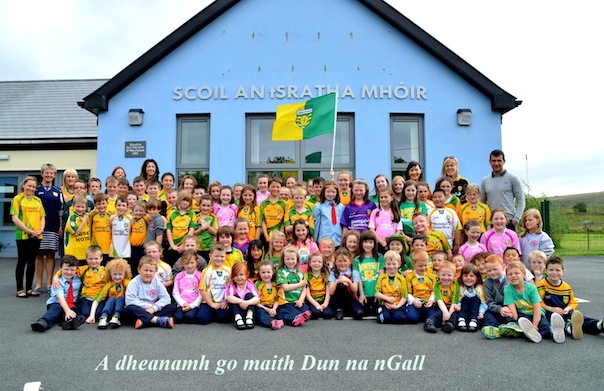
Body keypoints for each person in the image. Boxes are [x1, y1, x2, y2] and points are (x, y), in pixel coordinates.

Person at [537, 257, 604, 339]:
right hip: (549, 313)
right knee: (556, 321)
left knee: (580, 318)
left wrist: (568, 308)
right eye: (551, 270)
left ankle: (598, 325)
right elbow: (538, 302)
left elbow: (572, 301)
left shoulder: (566, 287)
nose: (554, 272)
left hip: (564, 312)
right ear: (546, 271)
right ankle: (569, 328)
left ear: (563, 272)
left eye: (557, 270)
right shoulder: (542, 285)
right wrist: (552, 309)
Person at [504, 261, 563, 343]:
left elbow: (537, 308)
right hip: (523, 314)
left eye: (517, 273)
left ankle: (554, 331)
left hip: (537, 313)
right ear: (507, 277)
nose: (513, 276)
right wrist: (514, 319)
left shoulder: (531, 287)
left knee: (544, 326)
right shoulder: (507, 289)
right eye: (510, 274)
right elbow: (512, 308)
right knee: (519, 322)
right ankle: (532, 334)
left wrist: (535, 325)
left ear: (524, 275)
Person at [30, 255, 86, 332]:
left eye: (72, 270)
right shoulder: (58, 282)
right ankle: (44, 322)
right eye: (66, 269)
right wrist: (67, 311)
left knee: (74, 310)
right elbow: (60, 298)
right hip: (57, 303)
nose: (69, 272)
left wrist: (69, 310)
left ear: (76, 269)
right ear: (60, 268)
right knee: (56, 310)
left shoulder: (78, 279)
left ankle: (69, 322)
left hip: (71, 303)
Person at [11, 176, 45, 298]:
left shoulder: (37, 200)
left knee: (32, 262)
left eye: (34, 187)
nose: (31, 188)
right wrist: (28, 230)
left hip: (37, 235)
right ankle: (20, 289)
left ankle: (29, 288)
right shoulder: (17, 199)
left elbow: (42, 217)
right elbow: (14, 218)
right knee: (22, 262)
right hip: (23, 235)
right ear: (24, 185)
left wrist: (40, 230)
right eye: (29, 186)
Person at [34, 163, 64, 295]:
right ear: (42, 174)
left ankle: (49, 283)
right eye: (46, 172)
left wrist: (60, 226)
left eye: (51, 173)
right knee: (39, 255)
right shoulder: (36, 189)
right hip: (38, 228)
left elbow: (61, 211)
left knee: (51, 254)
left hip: (52, 227)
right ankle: (39, 283)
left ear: (54, 175)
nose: (49, 175)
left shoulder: (58, 191)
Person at [124, 255, 176, 329]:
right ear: (139, 270)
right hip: (139, 308)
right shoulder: (134, 282)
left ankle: (144, 320)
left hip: (153, 308)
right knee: (129, 309)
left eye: (151, 271)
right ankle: (157, 320)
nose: (148, 273)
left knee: (171, 307)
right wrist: (148, 306)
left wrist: (154, 308)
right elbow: (130, 301)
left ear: (155, 272)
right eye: (145, 270)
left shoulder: (157, 282)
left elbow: (166, 298)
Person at [480, 149, 525, 229]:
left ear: (504, 161)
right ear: (489, 162)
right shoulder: (485, 181)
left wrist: (515, 220)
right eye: (493, 161)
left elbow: (521, 201)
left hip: (509, 222)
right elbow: (482, 203)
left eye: (499, 161)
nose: (496, 163)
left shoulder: (512, 179)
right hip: (491, 223)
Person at [481, 254, 517, 339]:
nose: (492, 272)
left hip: (510, 307)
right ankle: (493, 330)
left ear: (503, 267)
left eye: (495, 269)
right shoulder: (487, 283)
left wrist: (509, 309)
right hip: (495, 308)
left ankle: (511, 328)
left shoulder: (510, 280)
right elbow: (489, 302)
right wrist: (499, 309)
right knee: (489, 316)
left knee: (511, 317)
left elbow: (515, 297)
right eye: (489, 270)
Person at [276, 246, 311, 326]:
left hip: (297, 301)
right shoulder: (281, 272)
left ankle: (297, 317)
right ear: (283, 260)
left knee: (306, 309)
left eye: (293, 259)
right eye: (287, 259)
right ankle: (293, 319)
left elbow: (304, 288)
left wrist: (301, 300)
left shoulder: (300, 273)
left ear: (297, 259)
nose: (290, 261)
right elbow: (285, 288)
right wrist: (299, 284)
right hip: (286, 301)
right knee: (285, 311)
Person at [91, 258, 132, 329]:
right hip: (110, 306)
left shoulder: (126, 282)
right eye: (114, 274)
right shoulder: (108, 285)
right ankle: (103, 317)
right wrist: (91, 315)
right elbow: (97, 299)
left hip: (122, 306)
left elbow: (131, 293)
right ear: (110, 274)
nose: (117, 277)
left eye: (120, 274)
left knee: (120, 298)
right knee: (112, 298)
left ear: (125, 274)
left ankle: (116, 317)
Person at [197, 243, 232, 325]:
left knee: (223, 318)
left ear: (225, 256)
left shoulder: (228, 270)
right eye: (216, 256)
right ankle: (211, 312)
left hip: (222, 302)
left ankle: (217, 313)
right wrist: (212, 304)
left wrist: (226, 301)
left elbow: (231, 289)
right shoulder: (206, 271)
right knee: (202, 319)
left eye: (222, 256)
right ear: (210, 256)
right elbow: (202, 290)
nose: (219, 259)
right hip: (208, 302)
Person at [424, 261, 460, 333]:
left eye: (449, 275)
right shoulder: (437, 286)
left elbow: (454, 302)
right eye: (443, 275)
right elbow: (439, 300)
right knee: (438, 314)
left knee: (455, 315)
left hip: (452, 307)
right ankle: (430, 323)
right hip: (441, 306)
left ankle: (450, 325)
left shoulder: (456, 285)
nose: (446, 278)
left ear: (454, 275)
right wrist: (445, 312)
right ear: (438, 275)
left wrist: (448, 314)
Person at [328, 248, 364, 320]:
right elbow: (331, 292)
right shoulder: (333, 272)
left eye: (345, 261)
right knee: (341, 286)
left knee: (359, 313)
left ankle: (350, 309)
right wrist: (337, 281)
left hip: (351, 298)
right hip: (337, 299)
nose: (343, 264)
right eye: (340, 261)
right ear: (335, 262)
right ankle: (339, 309)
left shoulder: (354, 272)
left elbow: (354, 290)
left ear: (350, 261)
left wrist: (349, 281)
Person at [354, 230, 384, 316]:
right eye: (365, 242)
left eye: (371, 242)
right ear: (361, 243)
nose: (368, 245)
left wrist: (379, 293)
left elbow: (381, 276)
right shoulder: (357, 260)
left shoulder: (379, 257)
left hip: (376, 293)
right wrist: (362, 294)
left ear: (374, 243)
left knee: (377, 312)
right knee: (362, 313)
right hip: (365, 293)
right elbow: (358, 278)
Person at [374, 250, 408, 324]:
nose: (391, 266)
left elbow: (404, 296)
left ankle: (396, 313)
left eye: (394, 264)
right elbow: (376, 293)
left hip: (397, 304)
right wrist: (387, 298)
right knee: (384, 319)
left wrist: (396, 306)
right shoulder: (381, 278)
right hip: (385, 304)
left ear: (399, 264)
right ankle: (381, 310)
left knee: (399, 319)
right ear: (384, 264)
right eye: (388, 264)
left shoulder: (402, 278)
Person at [405, 250, 437, 324]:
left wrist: (431, 301)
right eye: (420, 266)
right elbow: (407, 292)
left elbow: (434, 291)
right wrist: (413, 301)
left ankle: (423, 314)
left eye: (425, 265)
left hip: (427, 302)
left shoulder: (431, 276)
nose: (423, 268)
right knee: (412, 318)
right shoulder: (409, 277)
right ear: (413, 264)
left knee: (431, 318)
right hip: (416, 301)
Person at [166, 190, 197, 266]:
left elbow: (191, 230)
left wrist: (183, 245)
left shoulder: (192, 214)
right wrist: (172, 245)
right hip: (173, 247)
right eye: (183, 200)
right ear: (179, 200)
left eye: (188, 201)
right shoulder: (172, 213)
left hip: (185, 247)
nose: (185, 202)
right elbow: (169, 230)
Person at [226, 263, 260, 330]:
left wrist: (247, 303)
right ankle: (238, 318)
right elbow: (228, 297)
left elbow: (257, 298)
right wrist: (241, 301)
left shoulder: (250, 283)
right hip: (237, 309)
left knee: (249, 295)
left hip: (248, 307)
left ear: (247, 274)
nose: (239, 277)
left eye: (241, 274)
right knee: (234, 297)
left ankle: (249, 316)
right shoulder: (231, 284)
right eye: (236, 275)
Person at [172, 249, 203, 324]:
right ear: (182, 263)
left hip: (194, 304)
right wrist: (182, 303)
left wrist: (192, 306)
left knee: (190, 317)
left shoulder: (200, 275)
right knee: (178, 319)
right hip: (182, 304)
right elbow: (175, 292)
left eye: (192, 263)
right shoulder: (179, 276)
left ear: (196, 262)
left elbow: (201, 293)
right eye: (186, 263)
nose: (189, 265)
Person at [368, 187, 402, 251]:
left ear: (392, 198)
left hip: (392, 245)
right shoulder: (375, 212)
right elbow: (371, 229)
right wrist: (382, 242)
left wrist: (391, 242)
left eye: (386, 197)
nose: (383, 199)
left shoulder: (396, 212)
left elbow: (398, 230)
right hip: (378, 243)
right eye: (381, 197)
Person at [427, 188, 461, 252]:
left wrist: (457, 244)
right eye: (435, 197)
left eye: (440, 197)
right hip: (434, 243)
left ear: (445, 198)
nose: (437, 199)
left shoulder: (452, 212)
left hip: (449, 244)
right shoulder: (429, 212)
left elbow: (457, 228)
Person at [313, 180, 344, 247]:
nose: (330, 194)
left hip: (338, 241)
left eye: (333, 192)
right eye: (328, 191)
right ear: (323, 192)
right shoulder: (318, 207)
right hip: (324, 240)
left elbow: (342, 224)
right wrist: (314, 240)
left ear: (337, 193)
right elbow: (316, 224)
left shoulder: (341, 207)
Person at [457, 263, 487, 332]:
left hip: (475, 310)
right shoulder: (461, 287)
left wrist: (481, 312)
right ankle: (462, 319)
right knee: (464, 299)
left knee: (475, 299)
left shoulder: (479, 288)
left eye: (472, 276)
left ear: (477, 278)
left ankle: (474, 320)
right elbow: (458, 299)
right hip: (463, 309)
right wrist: (457, 306)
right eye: (465, 276)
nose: (468, 278)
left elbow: (483, 302)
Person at [255, 260, 283, 329]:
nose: (266, 275)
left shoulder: (275, 284)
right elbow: (256, 301)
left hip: (273, 306)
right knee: (259, 312)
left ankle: (291, 319)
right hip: (262, 306)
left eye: (268, 272)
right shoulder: (258, 284)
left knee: (282, 310)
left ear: (273, 272)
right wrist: (267, 309)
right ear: (259, 273)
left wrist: (274, 309)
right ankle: (271, 322)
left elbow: (277, 299)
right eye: (263, 272)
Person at [305, 252, 335, 320]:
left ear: (322, 264)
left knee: (328, 314)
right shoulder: (306, 276)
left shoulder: (325, 275)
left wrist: (325, 304)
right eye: (314, 261)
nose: (316, 263)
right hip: (312, 300)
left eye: (319, 262)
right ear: (309, 263)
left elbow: (328, 293)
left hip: (323, 299)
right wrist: (316, 305)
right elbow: (308, 295)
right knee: (315, 314)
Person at [64, 195, 91, 266]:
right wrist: (83, 222)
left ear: (86, 207)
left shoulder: (86, 216)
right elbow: (76, 233)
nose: (80, 209)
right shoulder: (72, 218)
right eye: (78, 207)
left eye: (82, 207)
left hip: (85, 253)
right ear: (73, 206)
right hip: (73, 254)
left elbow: (92, 213)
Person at [260, 177, 286, 243]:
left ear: (281, 188)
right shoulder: (263, 204)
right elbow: (263, 221)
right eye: (273, 186)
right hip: (267, 236)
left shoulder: (284, 204)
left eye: (278, 187)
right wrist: (266, 236)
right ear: (268, 188)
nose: (275, 189)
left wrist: (280, 235)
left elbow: (284, 221)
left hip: (279, 237)